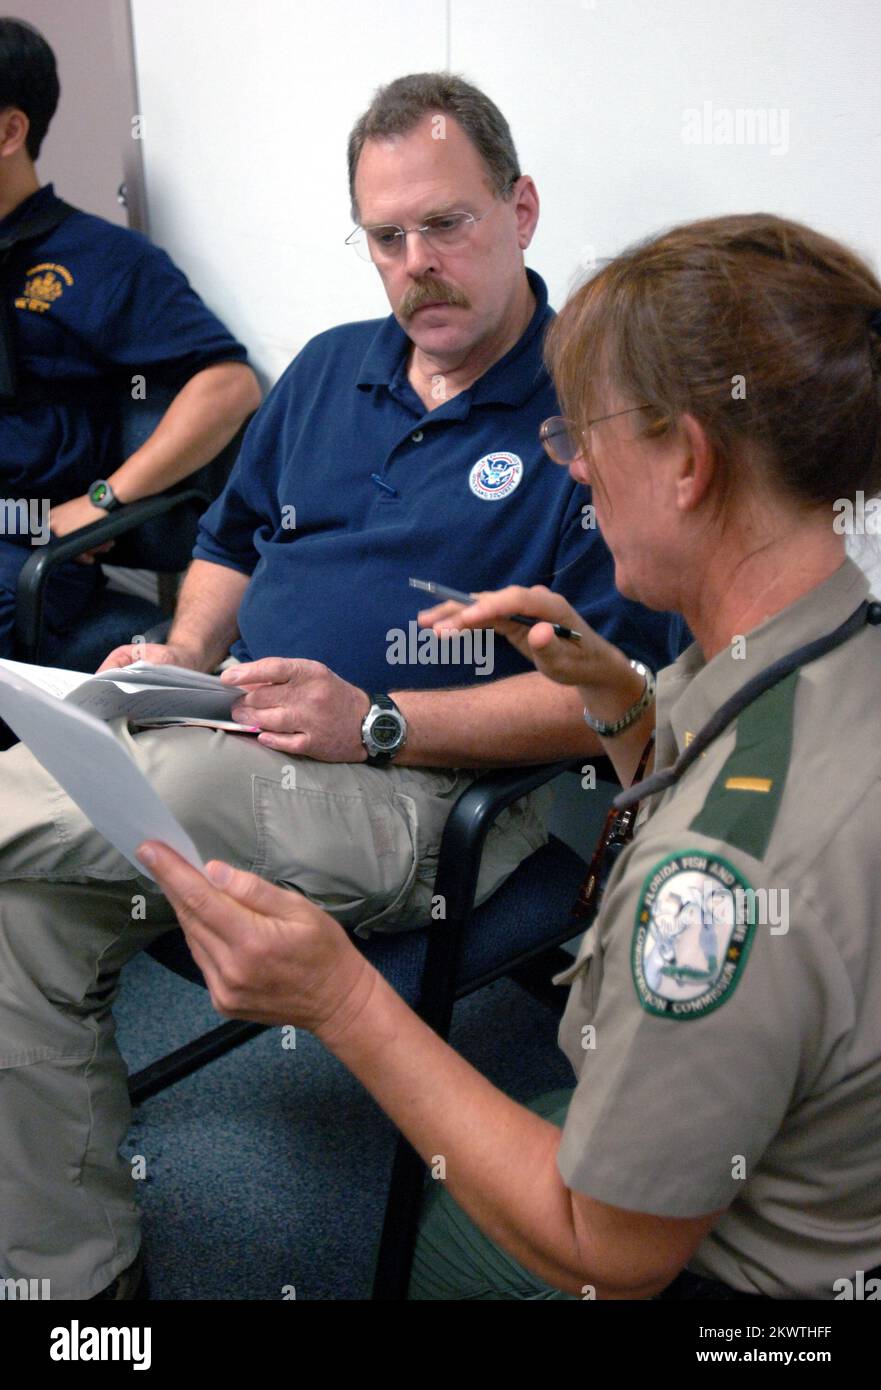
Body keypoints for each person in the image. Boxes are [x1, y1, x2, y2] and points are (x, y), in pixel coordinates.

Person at [0, 72, 683, 1300]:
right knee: (18, 920)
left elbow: (619, 693)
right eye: (386, 236)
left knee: (104, 779)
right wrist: (185, 656)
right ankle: (78, 1284)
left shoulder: (598, 404)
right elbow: (231, 537)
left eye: (447, 223)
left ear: (520, 210)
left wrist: (374, 722)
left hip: (411, 797)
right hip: (231, 732)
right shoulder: (325, 369)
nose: (415, 261)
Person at [143, 212, 881, 1299]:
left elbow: (608, 1252)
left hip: (729, 1286)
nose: (574, 471)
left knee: (446, 1238)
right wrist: (613, 696)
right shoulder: (824, 644)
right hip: (807, 1168)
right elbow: (715, 763)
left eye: (585, 435)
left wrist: (342, 1000)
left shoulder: (711, 888)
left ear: (684, 455)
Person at [0, 16, 260, 656]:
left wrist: (103, 497)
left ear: (10, 130)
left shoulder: (104, 259)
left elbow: (230, 386)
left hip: (23, 537)